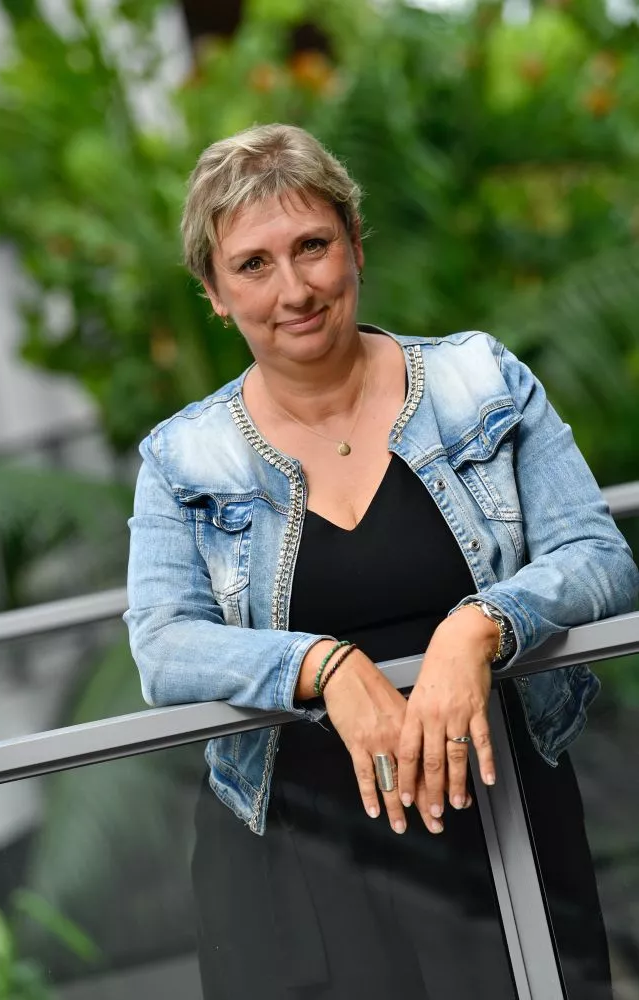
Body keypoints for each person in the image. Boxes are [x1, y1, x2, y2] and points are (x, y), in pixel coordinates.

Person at [124, 123, 639, 999]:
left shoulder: (479, 382)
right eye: (252, 265)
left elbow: (598, 557)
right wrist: (323, 666)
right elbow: (164, 646)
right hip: (295, 861)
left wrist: (478, 627)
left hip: (499, 825)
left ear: (355, 244)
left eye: (312, 246)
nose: (294, 289)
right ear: (213, 292)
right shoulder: (183, 460)